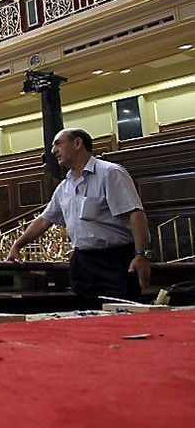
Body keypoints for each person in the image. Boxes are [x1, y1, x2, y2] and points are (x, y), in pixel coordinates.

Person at [8, 128, 151, 302]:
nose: (53, 150)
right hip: (82, 264)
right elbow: (44, 220)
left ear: (77, 143)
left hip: (115, 260)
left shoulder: (110, 173)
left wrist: (141, 254)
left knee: (121, 315)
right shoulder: (64, 187)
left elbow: (135, 213)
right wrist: (17, 245)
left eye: (58, 144)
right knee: (85, 320)